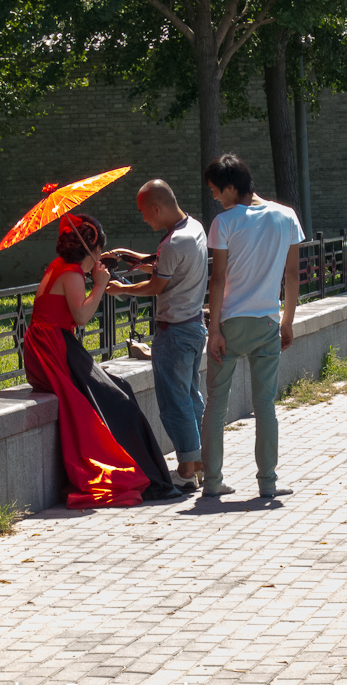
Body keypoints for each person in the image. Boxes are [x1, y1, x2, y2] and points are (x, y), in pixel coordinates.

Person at [22, 212, 182, 508]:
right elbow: (81, 317)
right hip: (55, 350)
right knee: (118, 399)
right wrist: (99, 284)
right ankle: (150, 479)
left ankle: (154, 476)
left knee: (120, 387)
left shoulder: (59, 267)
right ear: (93, 250)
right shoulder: (70, 273)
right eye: (100, 250)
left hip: (52, 345)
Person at [200, 154, 304, 499]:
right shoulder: (286, 216)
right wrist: (287, 321)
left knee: (216, 404)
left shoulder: (225, 222)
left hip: (230, 322)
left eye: (217, 191)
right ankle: (268, 483)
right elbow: (291, 275)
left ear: (232, 187)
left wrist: (214, 329)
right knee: (265, 406)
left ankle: (212, 483)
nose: (216, 197)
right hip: (267, 321)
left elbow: (218, 280)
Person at [105, 180, 208, 492]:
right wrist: (129, 256)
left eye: (143, 212)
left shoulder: (174, 243)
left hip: (173, 333)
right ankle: (199, 463)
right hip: (193, 328)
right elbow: (164, 263)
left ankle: (186, 471)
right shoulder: (194, 229)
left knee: (174, 405)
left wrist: (121, 289)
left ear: (157, 208)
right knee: (191, 399)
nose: (143, 218)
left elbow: (156, 286)